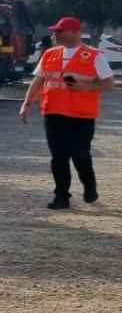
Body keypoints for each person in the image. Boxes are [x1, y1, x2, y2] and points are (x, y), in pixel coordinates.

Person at [20, 16, 114, 209]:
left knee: (80, 154)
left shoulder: (95, 55)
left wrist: (86, 87)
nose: (55, 35)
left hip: (82, 115)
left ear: (75, 33)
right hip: (54, 112)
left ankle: (90, 187)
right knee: (59, 156)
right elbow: (38, 81)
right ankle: (61, 196)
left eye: (59, 32)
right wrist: (27, 104)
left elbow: (108, 83)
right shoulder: (50, 54)